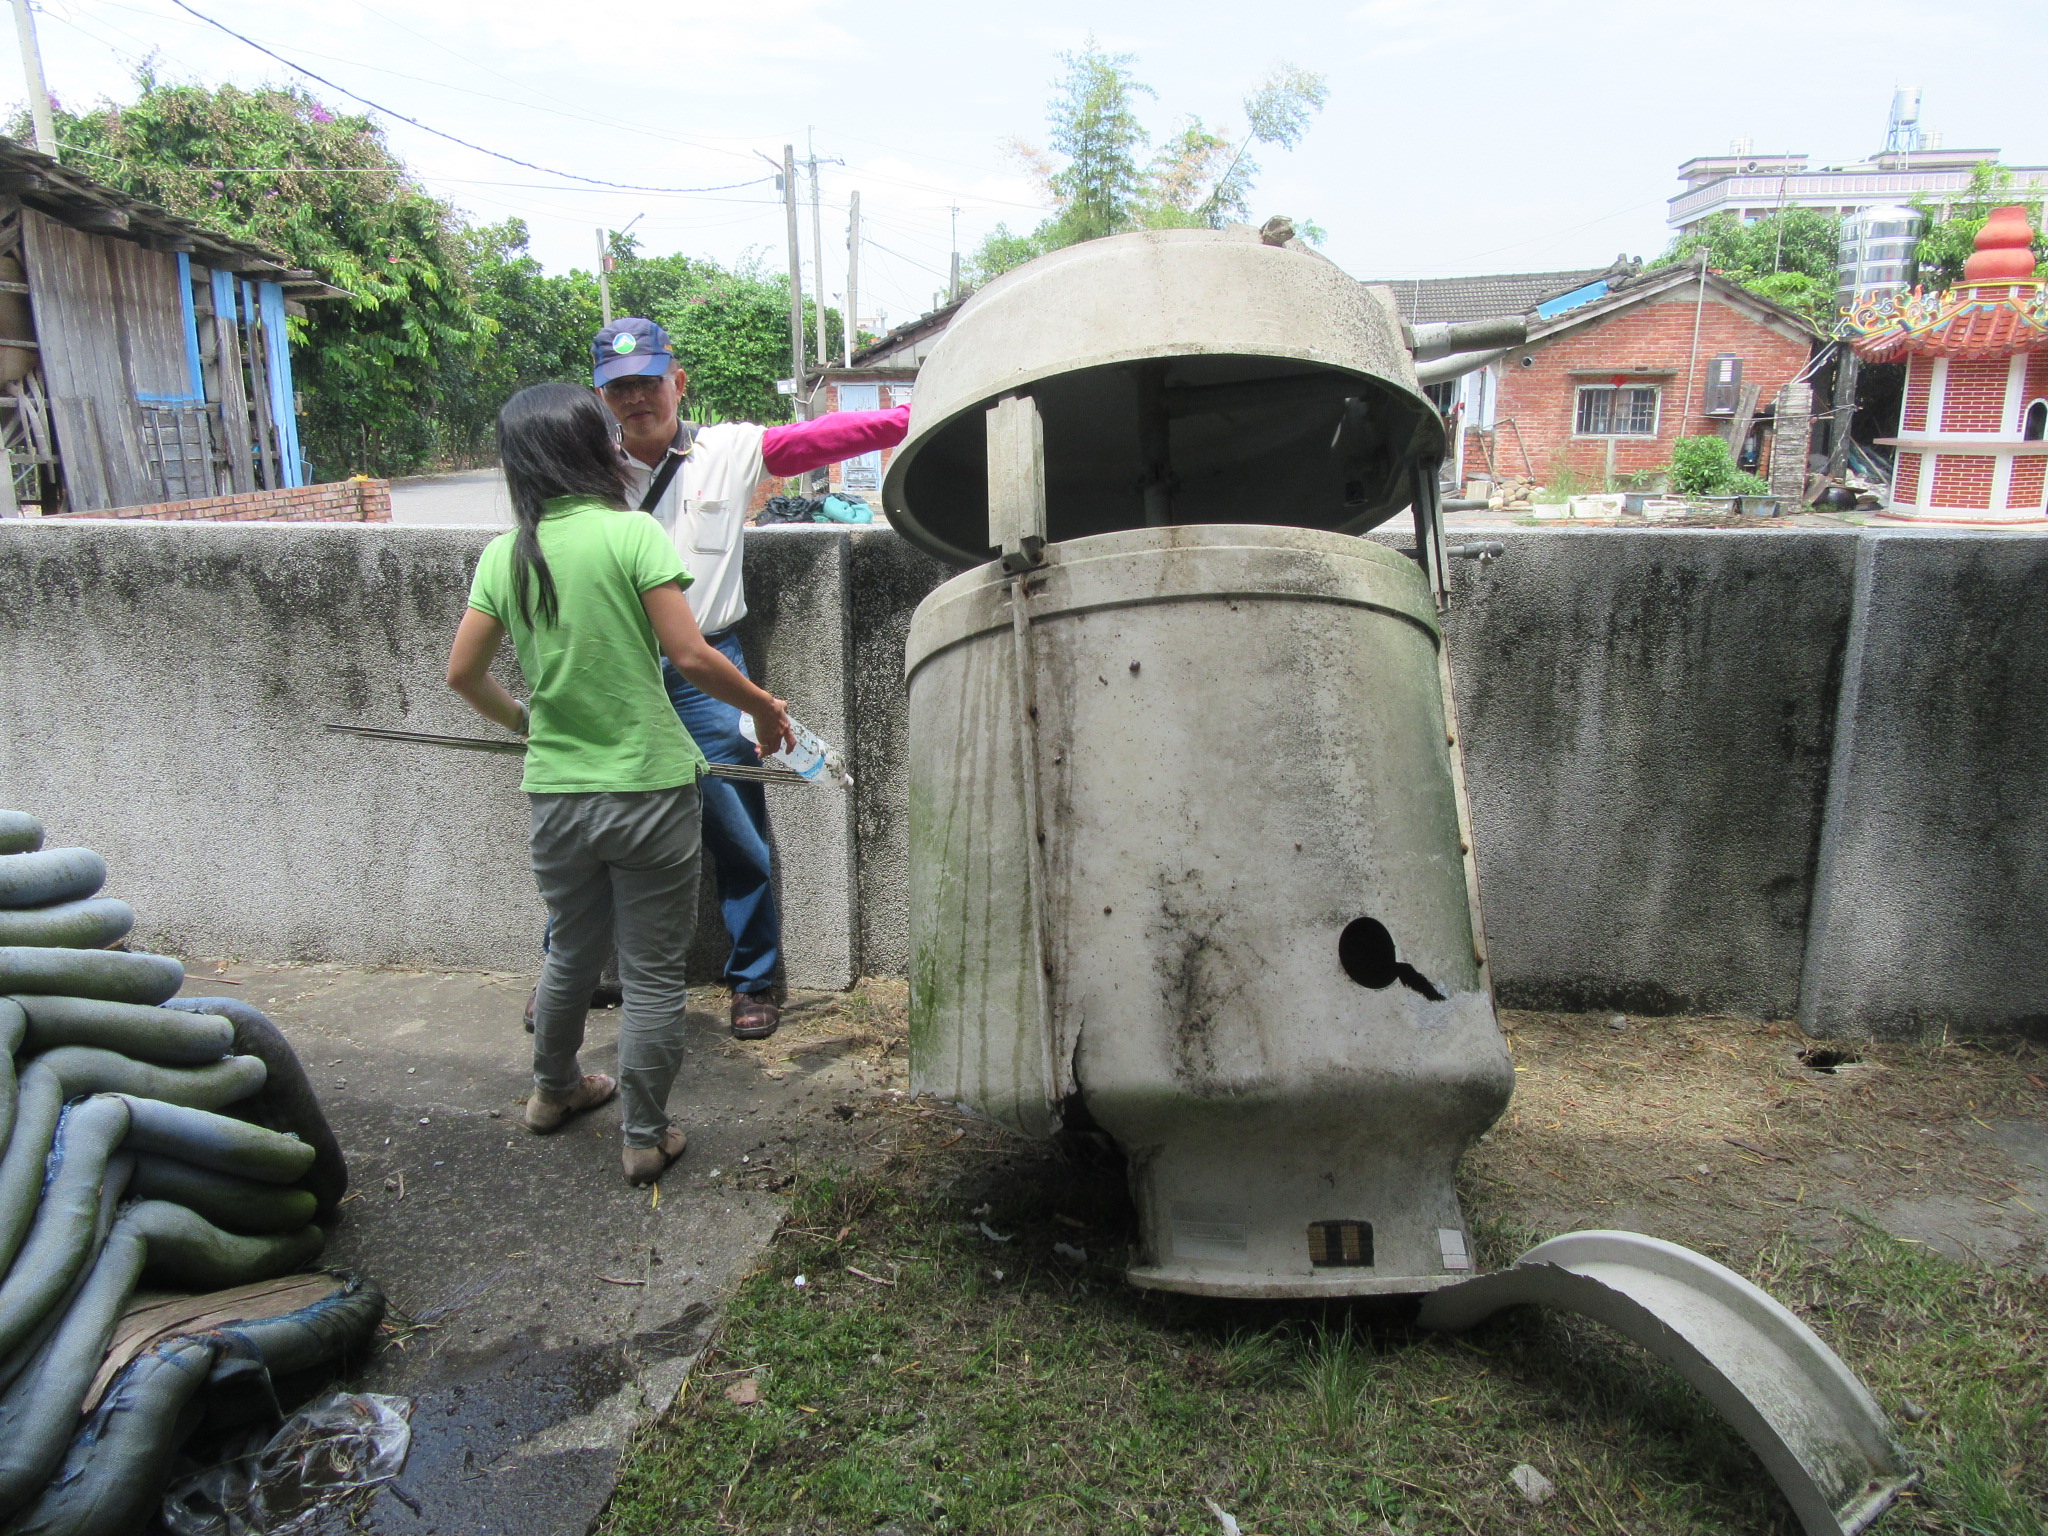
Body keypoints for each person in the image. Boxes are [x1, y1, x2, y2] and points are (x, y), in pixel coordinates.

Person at [448, 382, 794, 1186]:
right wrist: (766, 709)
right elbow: (696, 657)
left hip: (557, 794)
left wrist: (527, 724)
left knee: (570, 950)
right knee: (648, 973)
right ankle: (644, 1136)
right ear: (589, 450)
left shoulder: (507, 554)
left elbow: (462, 673)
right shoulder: (632, 534)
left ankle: (552, 1093)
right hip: (647, 789)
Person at [591, 316, 909, 1039]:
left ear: (677, 381)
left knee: (737, 828)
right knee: (592, 818)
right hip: (615, 670)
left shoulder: (726, 450)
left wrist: (915, 416)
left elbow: (819, 442)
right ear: (602, 398)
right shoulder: (582, 468)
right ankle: (574, 966)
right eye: (618, 389)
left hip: (710, 668)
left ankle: (754, 980)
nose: (636, 398)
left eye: (647, 381)